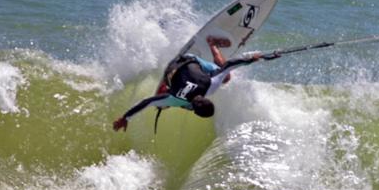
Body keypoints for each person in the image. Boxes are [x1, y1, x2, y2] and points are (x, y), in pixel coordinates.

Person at [112, 36, 269, 131]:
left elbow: (230, 65)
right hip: (174, 67)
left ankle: (212, 44)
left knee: (225, 76)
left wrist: (252, 58)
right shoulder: (178, 99)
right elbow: (146, 102)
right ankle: (212, 43)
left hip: (187, 59)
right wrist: (126, 118)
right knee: (165, 103)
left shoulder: (211, 84)